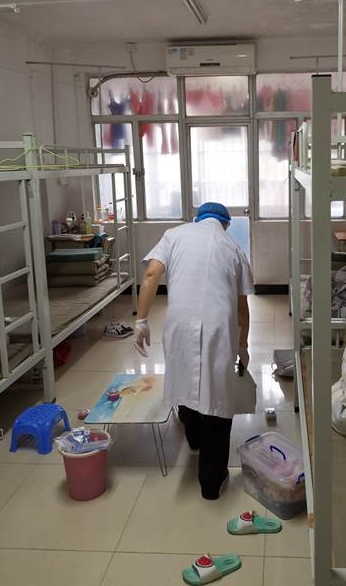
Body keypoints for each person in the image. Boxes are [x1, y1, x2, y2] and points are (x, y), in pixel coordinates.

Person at [134, 202, 253, 499]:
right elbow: (242, 308)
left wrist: (141, 320)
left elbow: (151, 274)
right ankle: (211, 483)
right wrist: (243, 345)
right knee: (217, 395)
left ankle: (195, 440)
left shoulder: (174, 235)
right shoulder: (234, 248)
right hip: (218, 326)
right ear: (225, 224)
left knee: (184, 377)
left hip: (179, 323)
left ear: (197, 218)